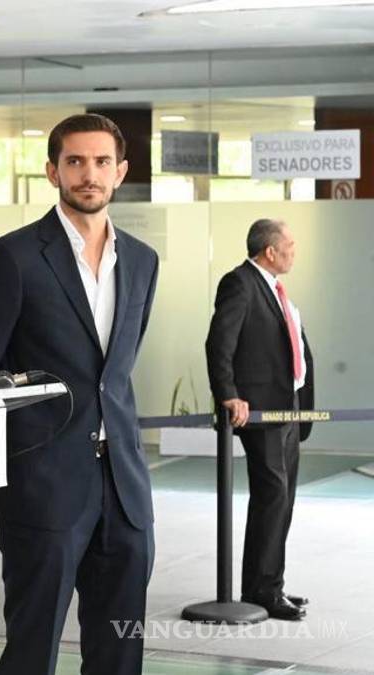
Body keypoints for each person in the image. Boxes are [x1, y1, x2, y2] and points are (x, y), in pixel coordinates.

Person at [0, 114, 159, 675]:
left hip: (125, 488)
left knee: (121, 649)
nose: (89, 174)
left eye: (101, 162)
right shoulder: (13, 257)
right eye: (75, 161)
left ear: (120, 172)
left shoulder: (142, 260)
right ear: (53, 171)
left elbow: (114, 372)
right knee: (33, 648)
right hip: (43, 488)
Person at [206, 218, 314, 621]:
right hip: (261, 411)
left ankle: (268, 585)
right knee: (272, 497)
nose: (294, 252)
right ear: (270, 251)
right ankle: (264, 590)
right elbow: (219, 343)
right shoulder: (240, 284)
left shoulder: (275, 289)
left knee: (282, 500)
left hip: (288, 409)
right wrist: (228, 394)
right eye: (290, 245)